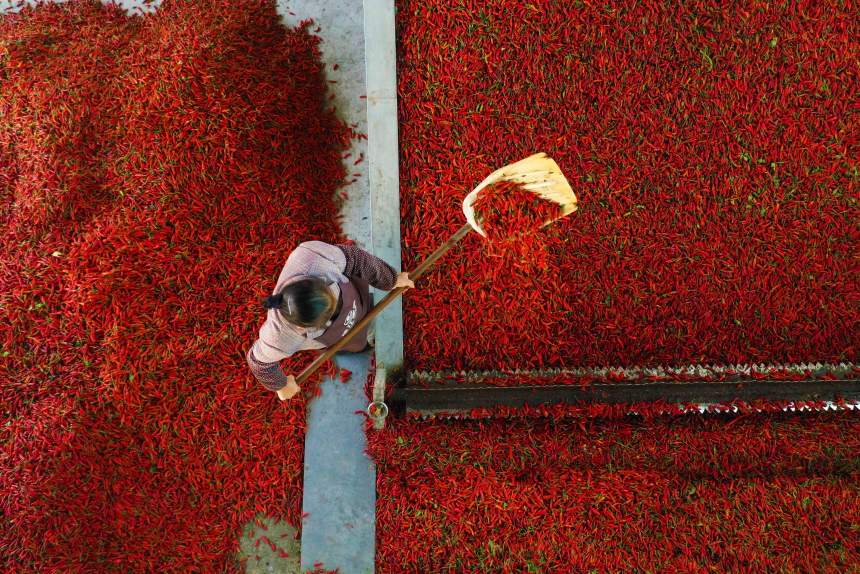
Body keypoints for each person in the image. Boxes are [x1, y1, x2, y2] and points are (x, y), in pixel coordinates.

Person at [247, 241, 413, 401]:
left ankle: (364, 311)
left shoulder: (312, 258)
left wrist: (391, 279)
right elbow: (259, 362)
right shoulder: (280, 334)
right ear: (301, 327)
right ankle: (362, 344)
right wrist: (280, 385)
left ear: (315, 281)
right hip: (338, 336)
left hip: (353, 298)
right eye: (329, 316)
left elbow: (356, 258)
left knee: (364, 305)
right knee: (355, 343)